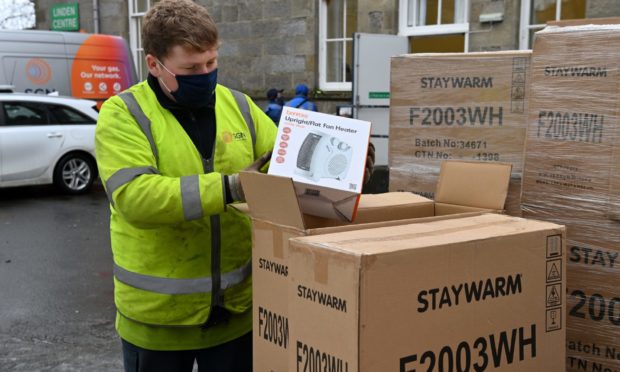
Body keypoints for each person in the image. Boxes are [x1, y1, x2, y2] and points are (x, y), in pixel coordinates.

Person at [94, 0, 277, 371]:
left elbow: (280, 163)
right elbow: (135, 197)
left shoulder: (238, 106)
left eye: (212, 63)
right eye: (191, 68)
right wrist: (230, 188)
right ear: (154, 64)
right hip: (157, 323)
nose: (206, 75)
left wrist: (339, 165)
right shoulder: (123, 114)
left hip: (235, 315)